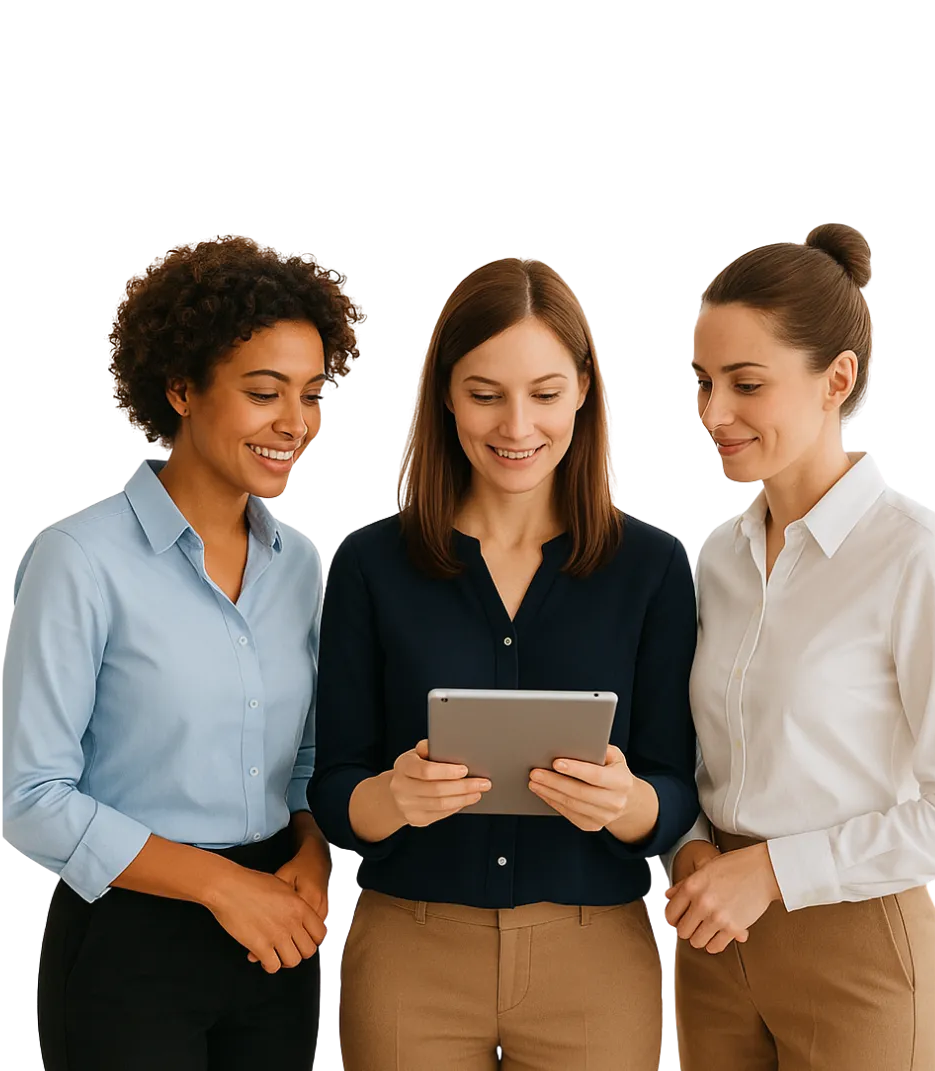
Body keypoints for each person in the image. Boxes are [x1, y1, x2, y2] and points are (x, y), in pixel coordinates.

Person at [307, 256, 699, 1070]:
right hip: (409, 952)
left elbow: (676, 786)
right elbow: (336, 786)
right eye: (485, 394)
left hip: (595, 958)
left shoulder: (653, 567)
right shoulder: (370, 565)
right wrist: (393, 795)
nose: (516, 427)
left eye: (545, 394)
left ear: (585, 391)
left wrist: (625, 802)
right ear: (443, 394)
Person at [1, 233, 365, 1070]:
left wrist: (310, 852)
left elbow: (307, 752)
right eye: (264, 392)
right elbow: (30, 798)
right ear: (179, 389)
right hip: (132, 939)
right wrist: (219, 885)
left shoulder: (301, 562)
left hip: (276, 935)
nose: (295, 424)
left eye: (312, 395)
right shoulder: (81, 560)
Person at [662, 223, 935, 1070]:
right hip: (712, 938)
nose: (713, 414)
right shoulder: (713, 562)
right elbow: (694, 753)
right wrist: (694, 846)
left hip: (852, 946)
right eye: (704, 382)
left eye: (746, 383)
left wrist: (775, 870)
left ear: (836, 380)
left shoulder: (916, 554)